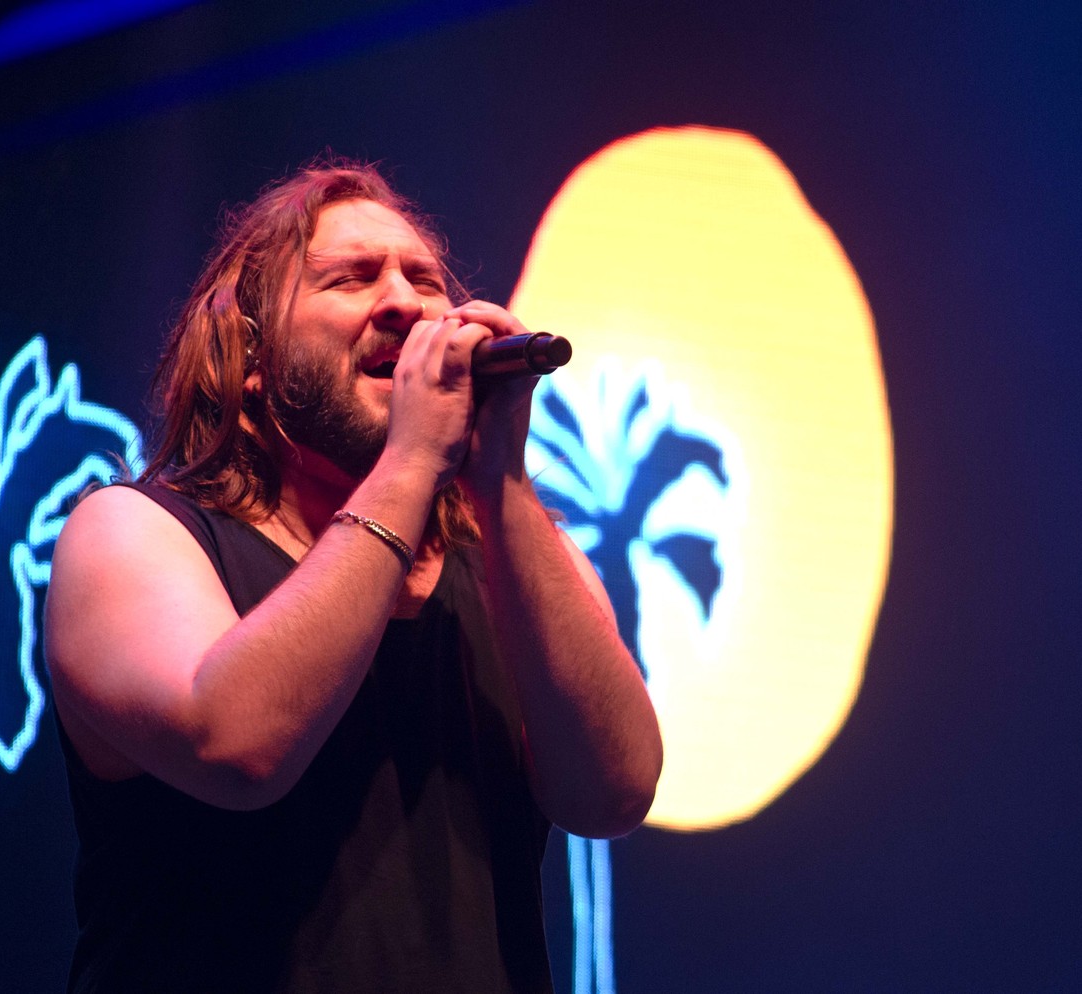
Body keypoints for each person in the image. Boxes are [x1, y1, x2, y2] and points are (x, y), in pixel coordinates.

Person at [42, 160, 663, 993]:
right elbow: (235, 748)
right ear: (252, 356)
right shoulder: (133, 532)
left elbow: (613, 794)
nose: (406, 303)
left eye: (426, 281)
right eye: (351, 278)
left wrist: (501, 483)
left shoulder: (515, 562)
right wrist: (412, 461)